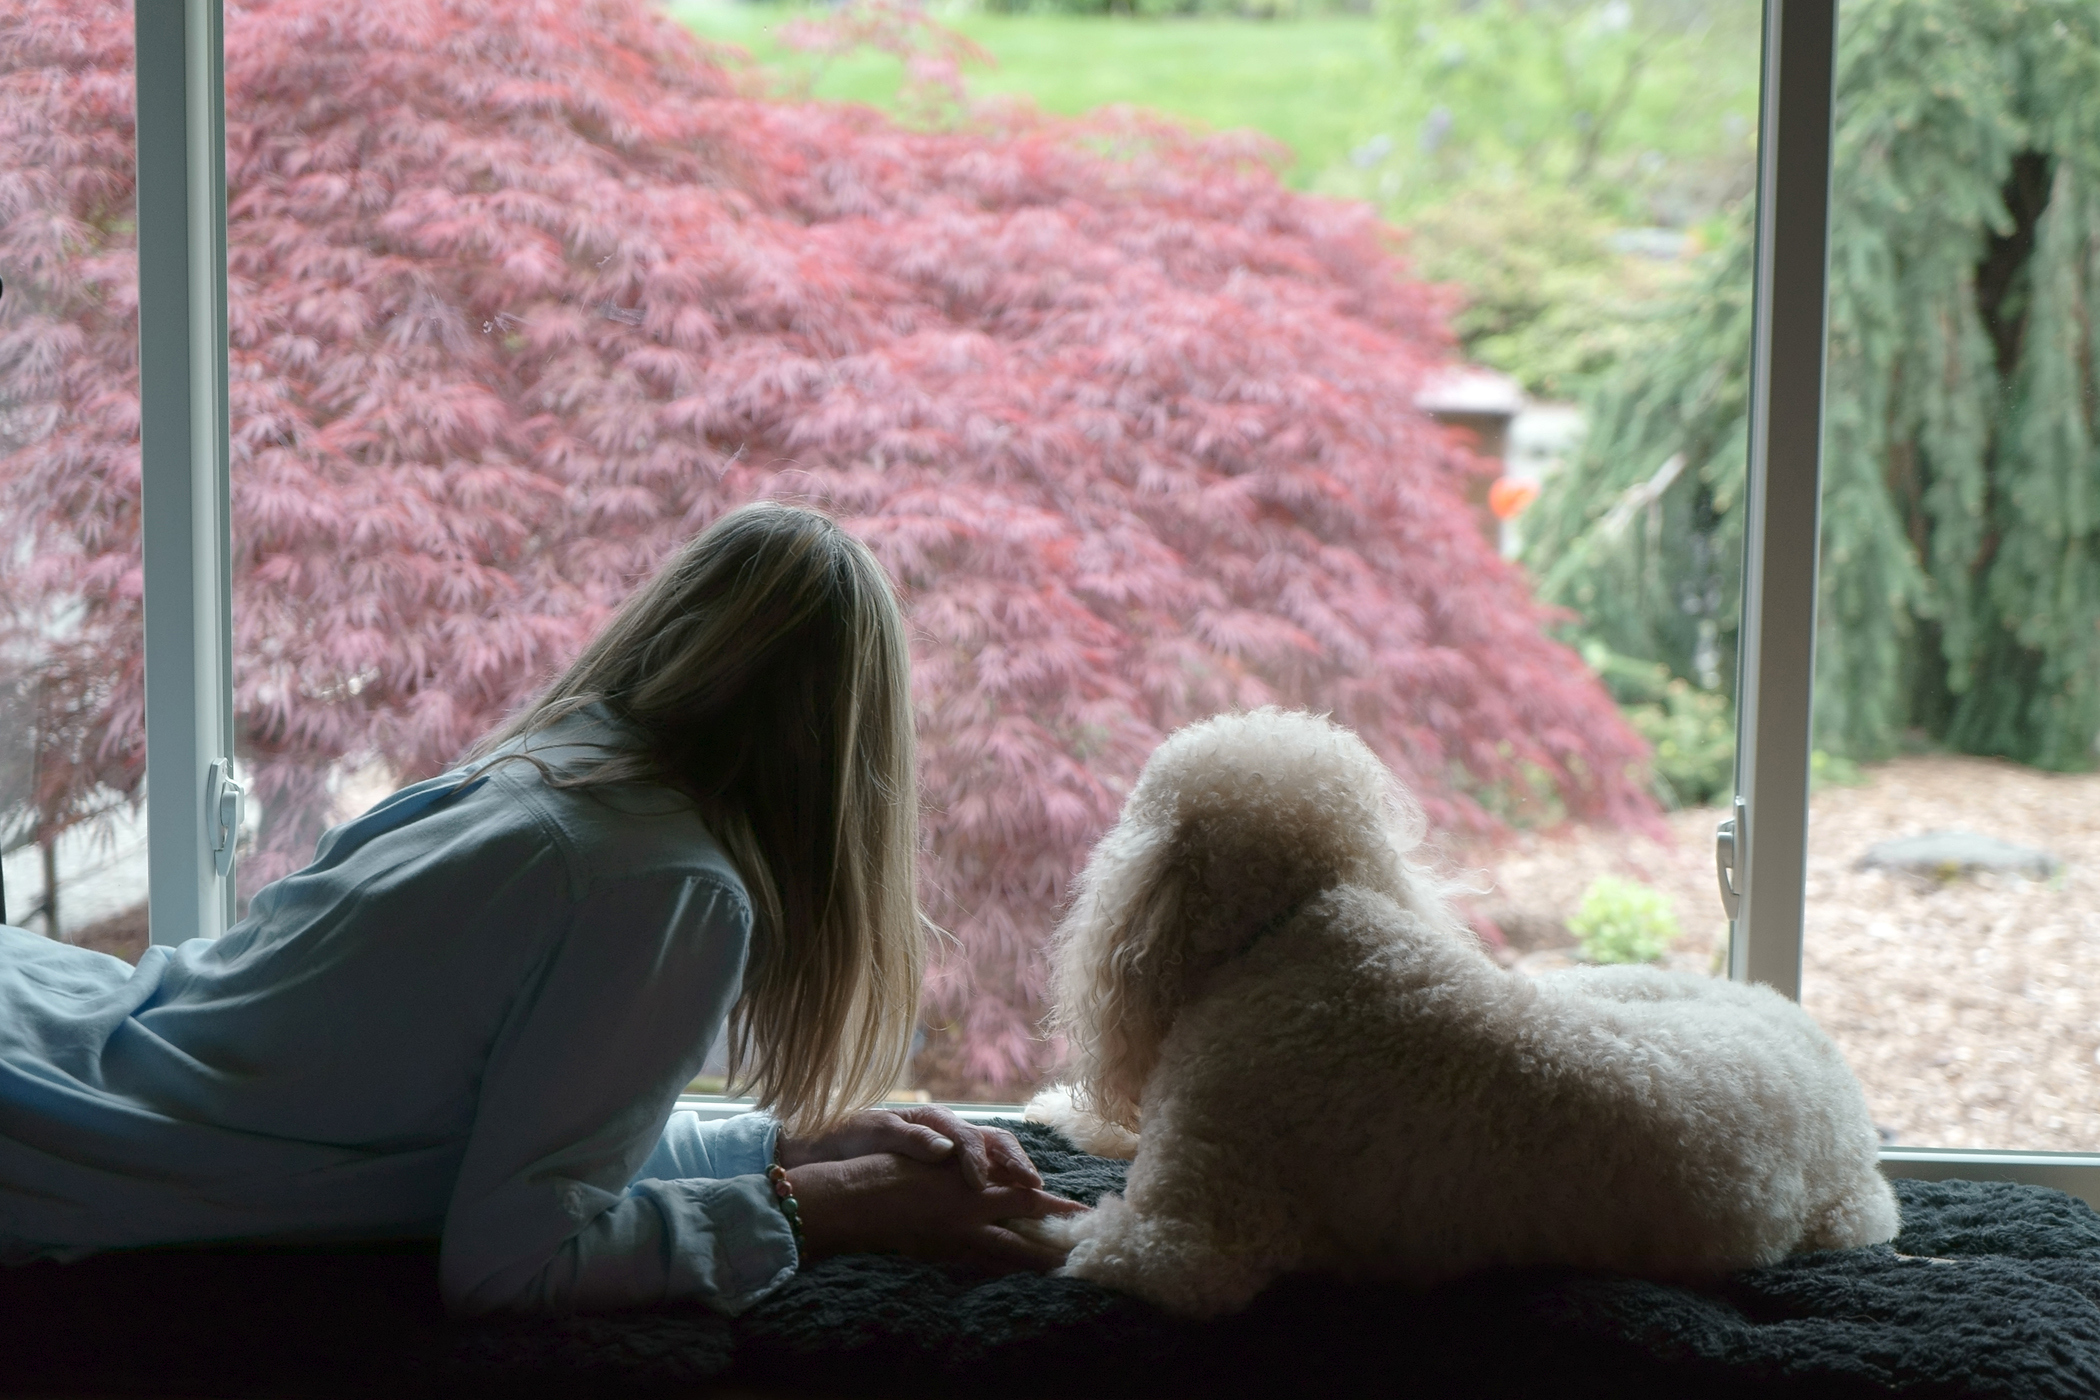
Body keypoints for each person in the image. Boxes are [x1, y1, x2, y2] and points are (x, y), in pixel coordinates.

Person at [0, 502, 1082, 1314]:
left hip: (64, 1037)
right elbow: (517, 1256)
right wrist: (841, 1202)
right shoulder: (671, 888)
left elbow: (504, 1134)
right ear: (855, 750)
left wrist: (783, 1143)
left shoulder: (564, 775)